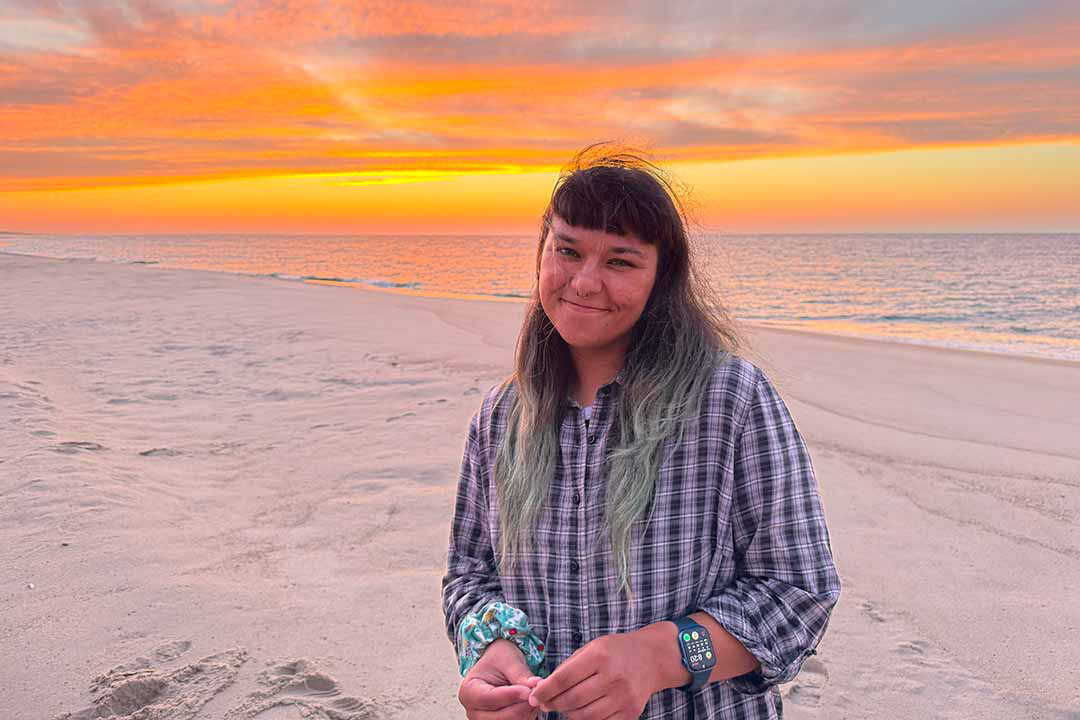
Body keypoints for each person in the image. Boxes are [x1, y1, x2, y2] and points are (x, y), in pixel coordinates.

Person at [441, 144, 840, 720]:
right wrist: (492, 648)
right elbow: (469, 576)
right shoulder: (502, 416)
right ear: (542, 254)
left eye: (620, 262)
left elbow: (800, 593)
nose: (583, 281)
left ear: (661, 278)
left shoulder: (730, 400)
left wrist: (660, 657)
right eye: (567, 251)